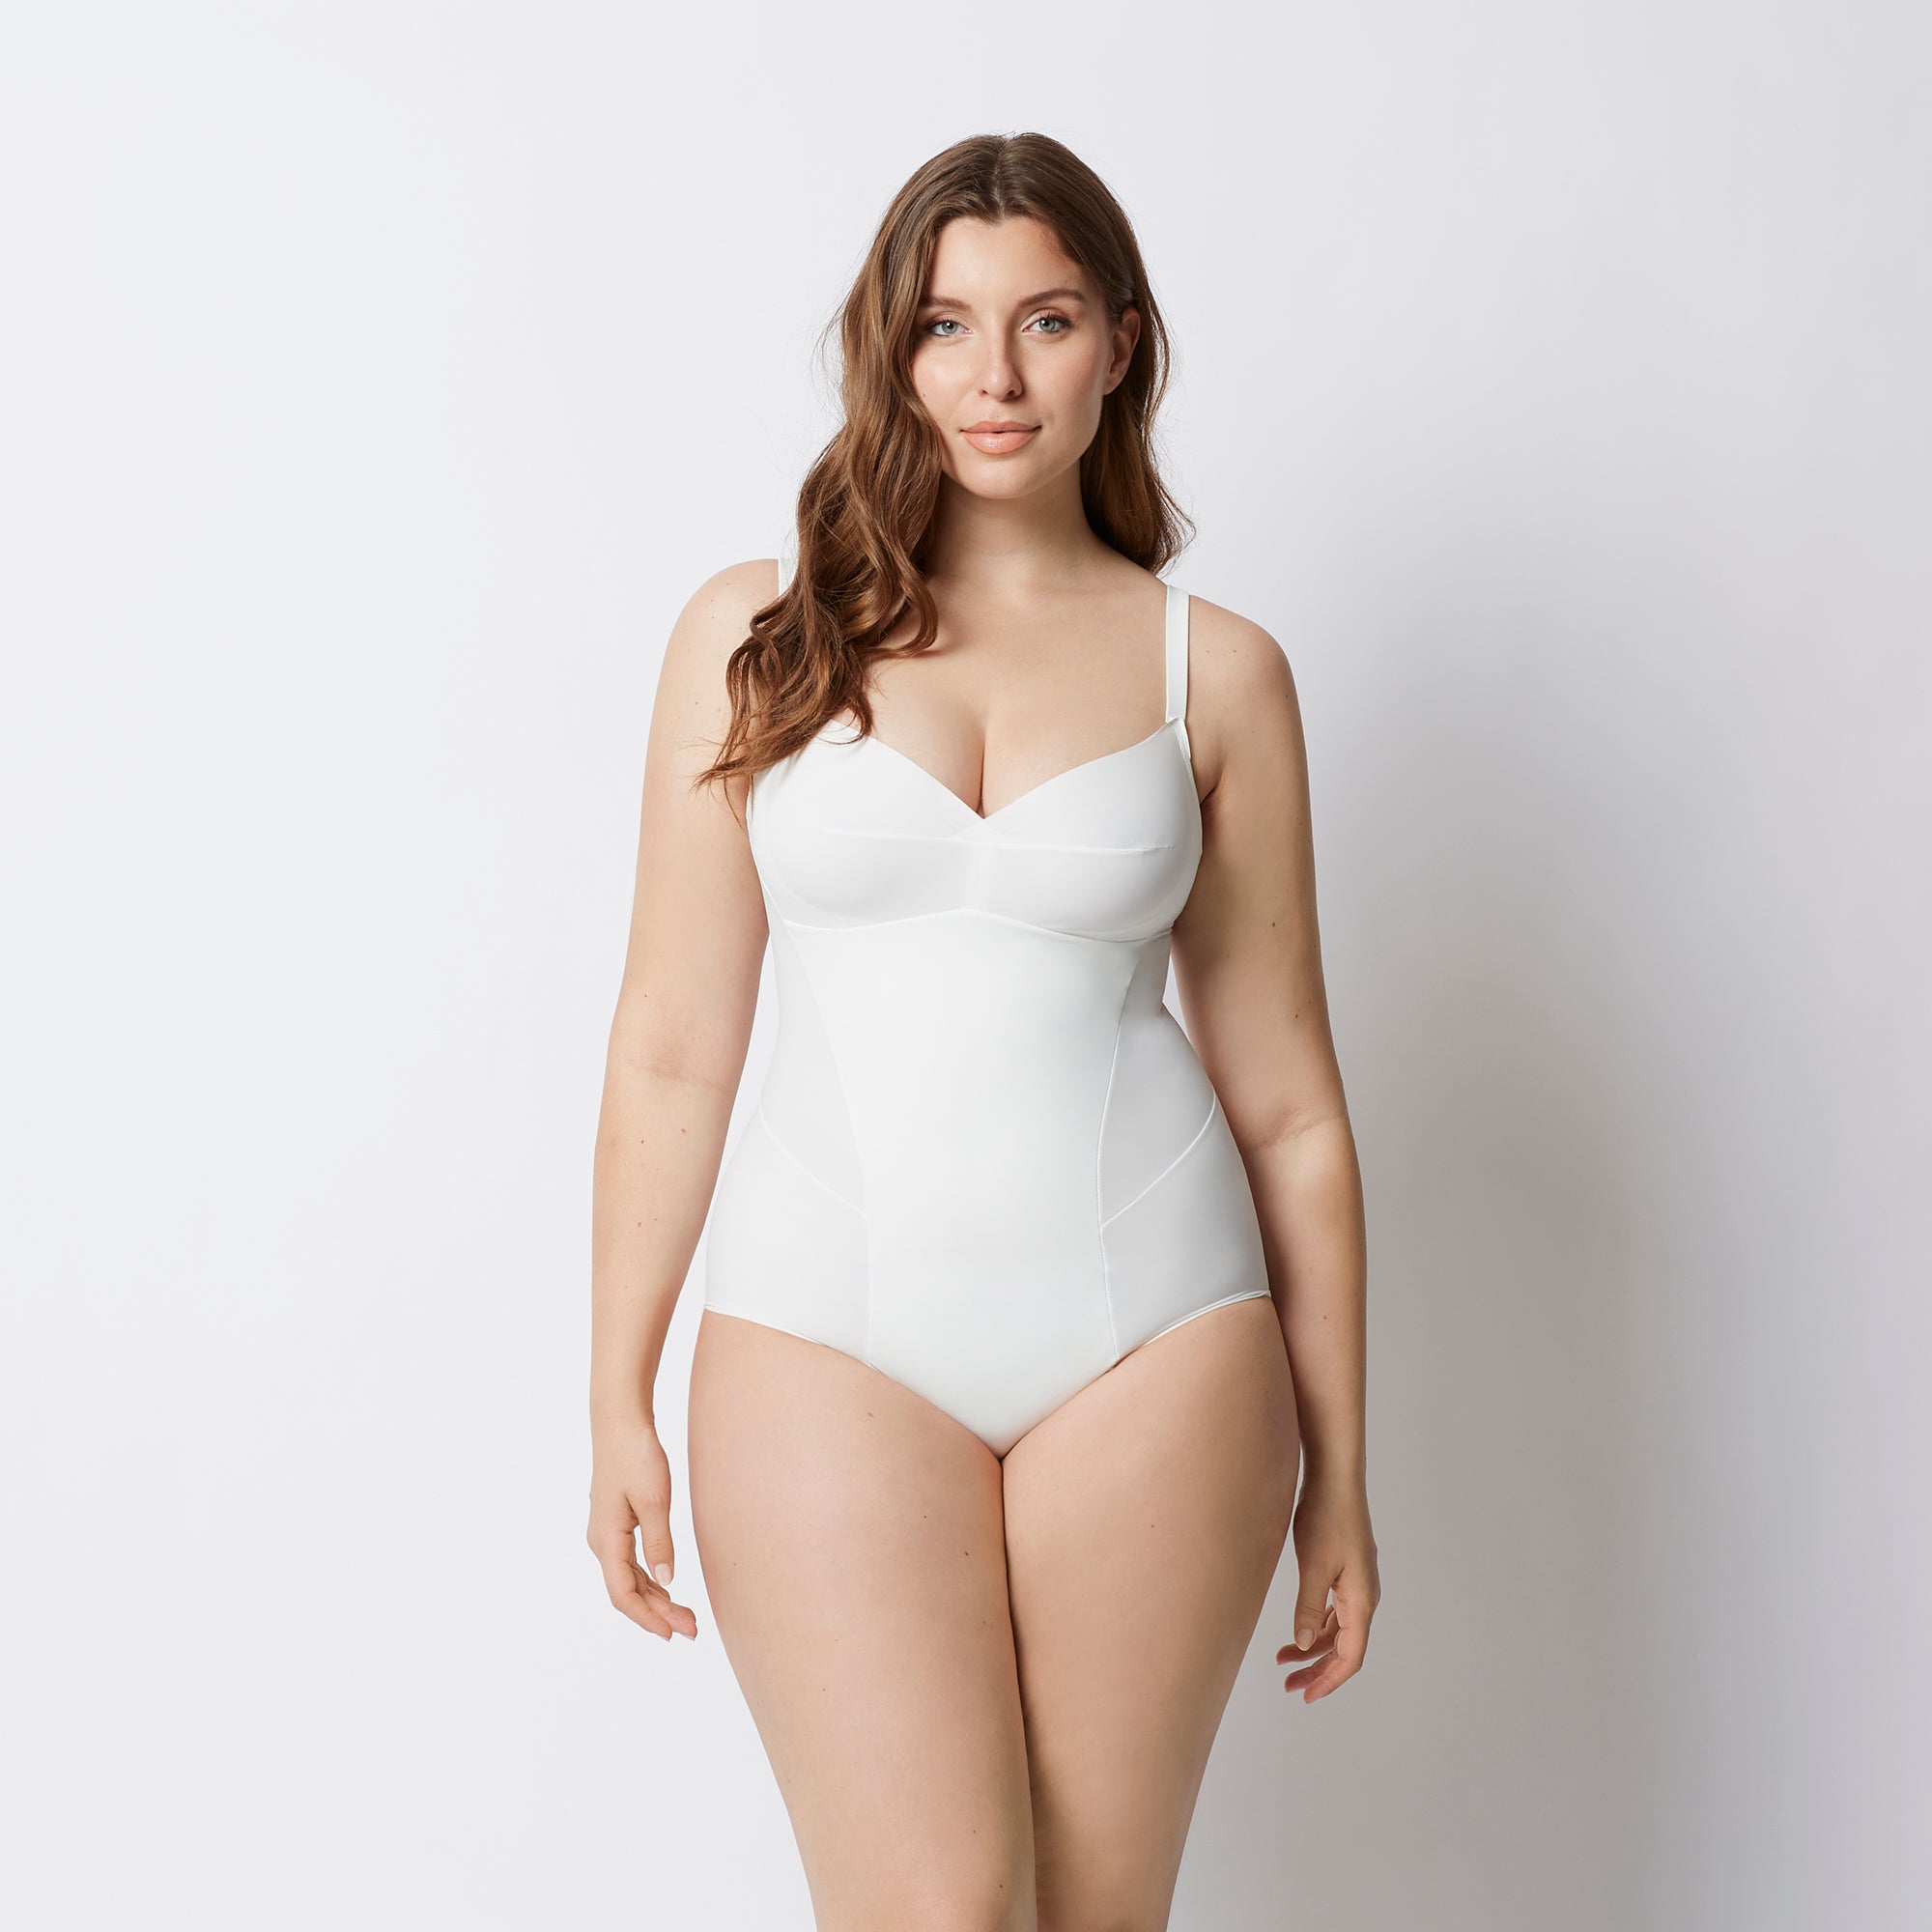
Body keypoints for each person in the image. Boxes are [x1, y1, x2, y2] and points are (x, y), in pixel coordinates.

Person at [588, 130, 1379, 1930]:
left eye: (1046, 320)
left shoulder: (1215, 671)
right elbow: (670, 1041)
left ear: (1121, 345)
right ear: (891, 350)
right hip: (821, 1334)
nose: (995, 376)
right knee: (939, 1906)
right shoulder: (759, 636)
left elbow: (1291, 1108)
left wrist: (1343, 1472)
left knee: (1095, 1913)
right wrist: (614, 1391)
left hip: (1159, 1341)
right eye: (946, 326)